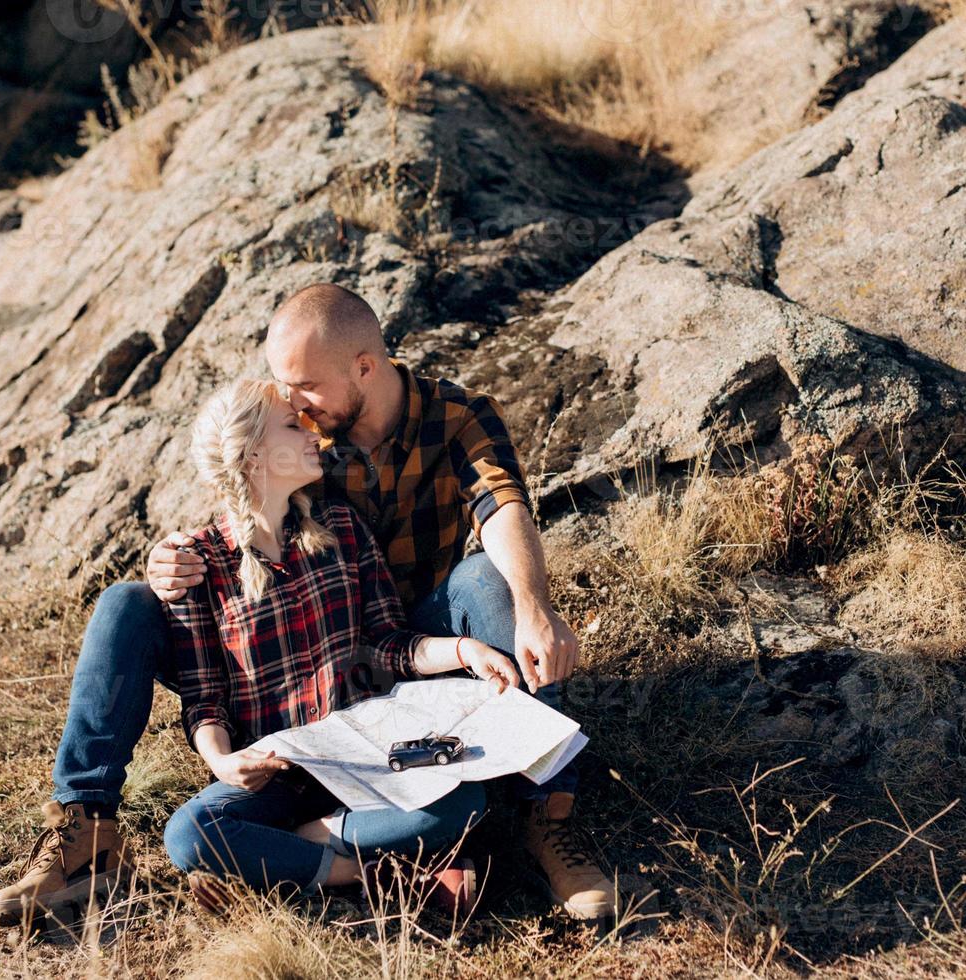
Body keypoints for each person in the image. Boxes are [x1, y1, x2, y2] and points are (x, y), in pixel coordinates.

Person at [147, 283, 618, 921]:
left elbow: (502, 504)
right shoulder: (305, 452)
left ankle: (546, 815)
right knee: (191, 821)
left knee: (488, 582)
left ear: (363, 368)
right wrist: (171, 563)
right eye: (283, 393)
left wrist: (531, 612)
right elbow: (245, 516)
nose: (294, 404)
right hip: (303, 721)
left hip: (403, 653)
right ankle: (378, 864)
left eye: (303, 386)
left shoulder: (449, 422)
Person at [0, 378, 521, 924]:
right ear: (251, 454)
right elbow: (204, 696)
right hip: (278, 773)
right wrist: (221, 761)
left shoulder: (341, 528)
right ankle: (362, 875)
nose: (311, 432)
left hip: (363, 758)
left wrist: (463, 649)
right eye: (293, 426)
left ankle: (298, 850)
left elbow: (387, 644)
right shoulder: (199, 563)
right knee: (191, 834)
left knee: (462, 806)